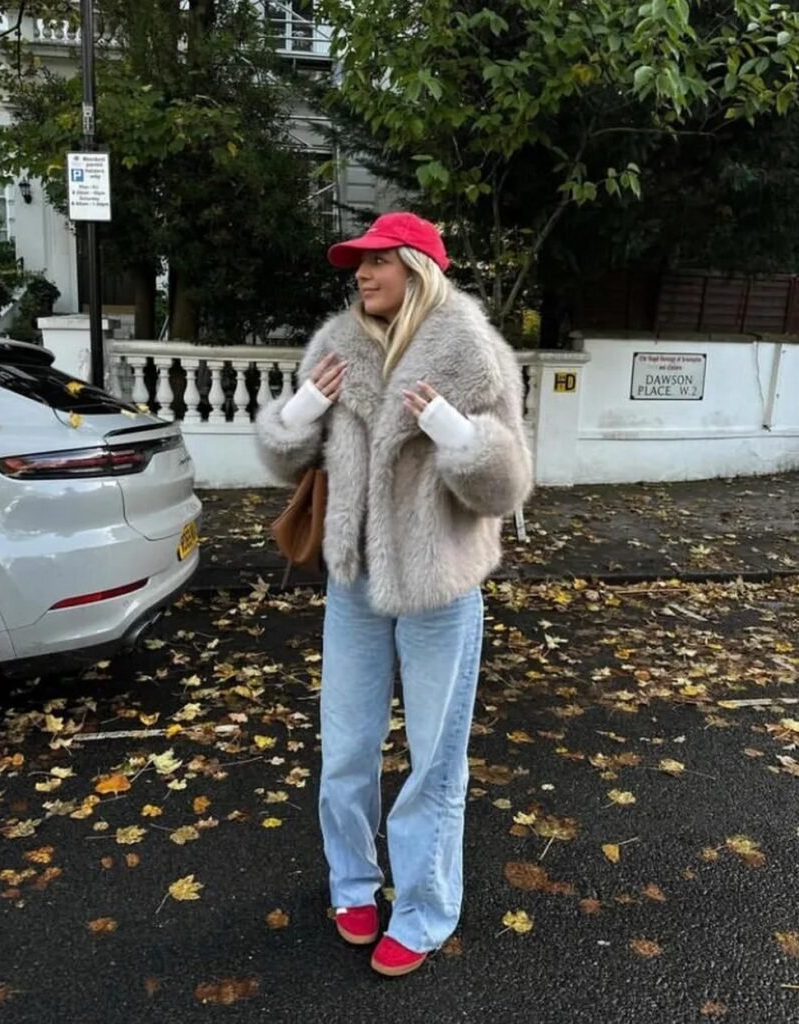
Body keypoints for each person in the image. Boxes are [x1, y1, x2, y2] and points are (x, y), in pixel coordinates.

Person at [256, 212, 533, 977]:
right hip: (354, 584)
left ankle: (422, 909)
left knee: (434, 763)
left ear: (417, 267)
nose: (361, 276)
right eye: (357, 266)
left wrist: (452, 431)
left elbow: (507, 484)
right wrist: (302, 413)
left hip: (439, 588)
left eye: (375, 263)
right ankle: (353, 883)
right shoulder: (335, 345)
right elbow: (285, 454)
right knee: (344, 748)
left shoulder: (473, 351)